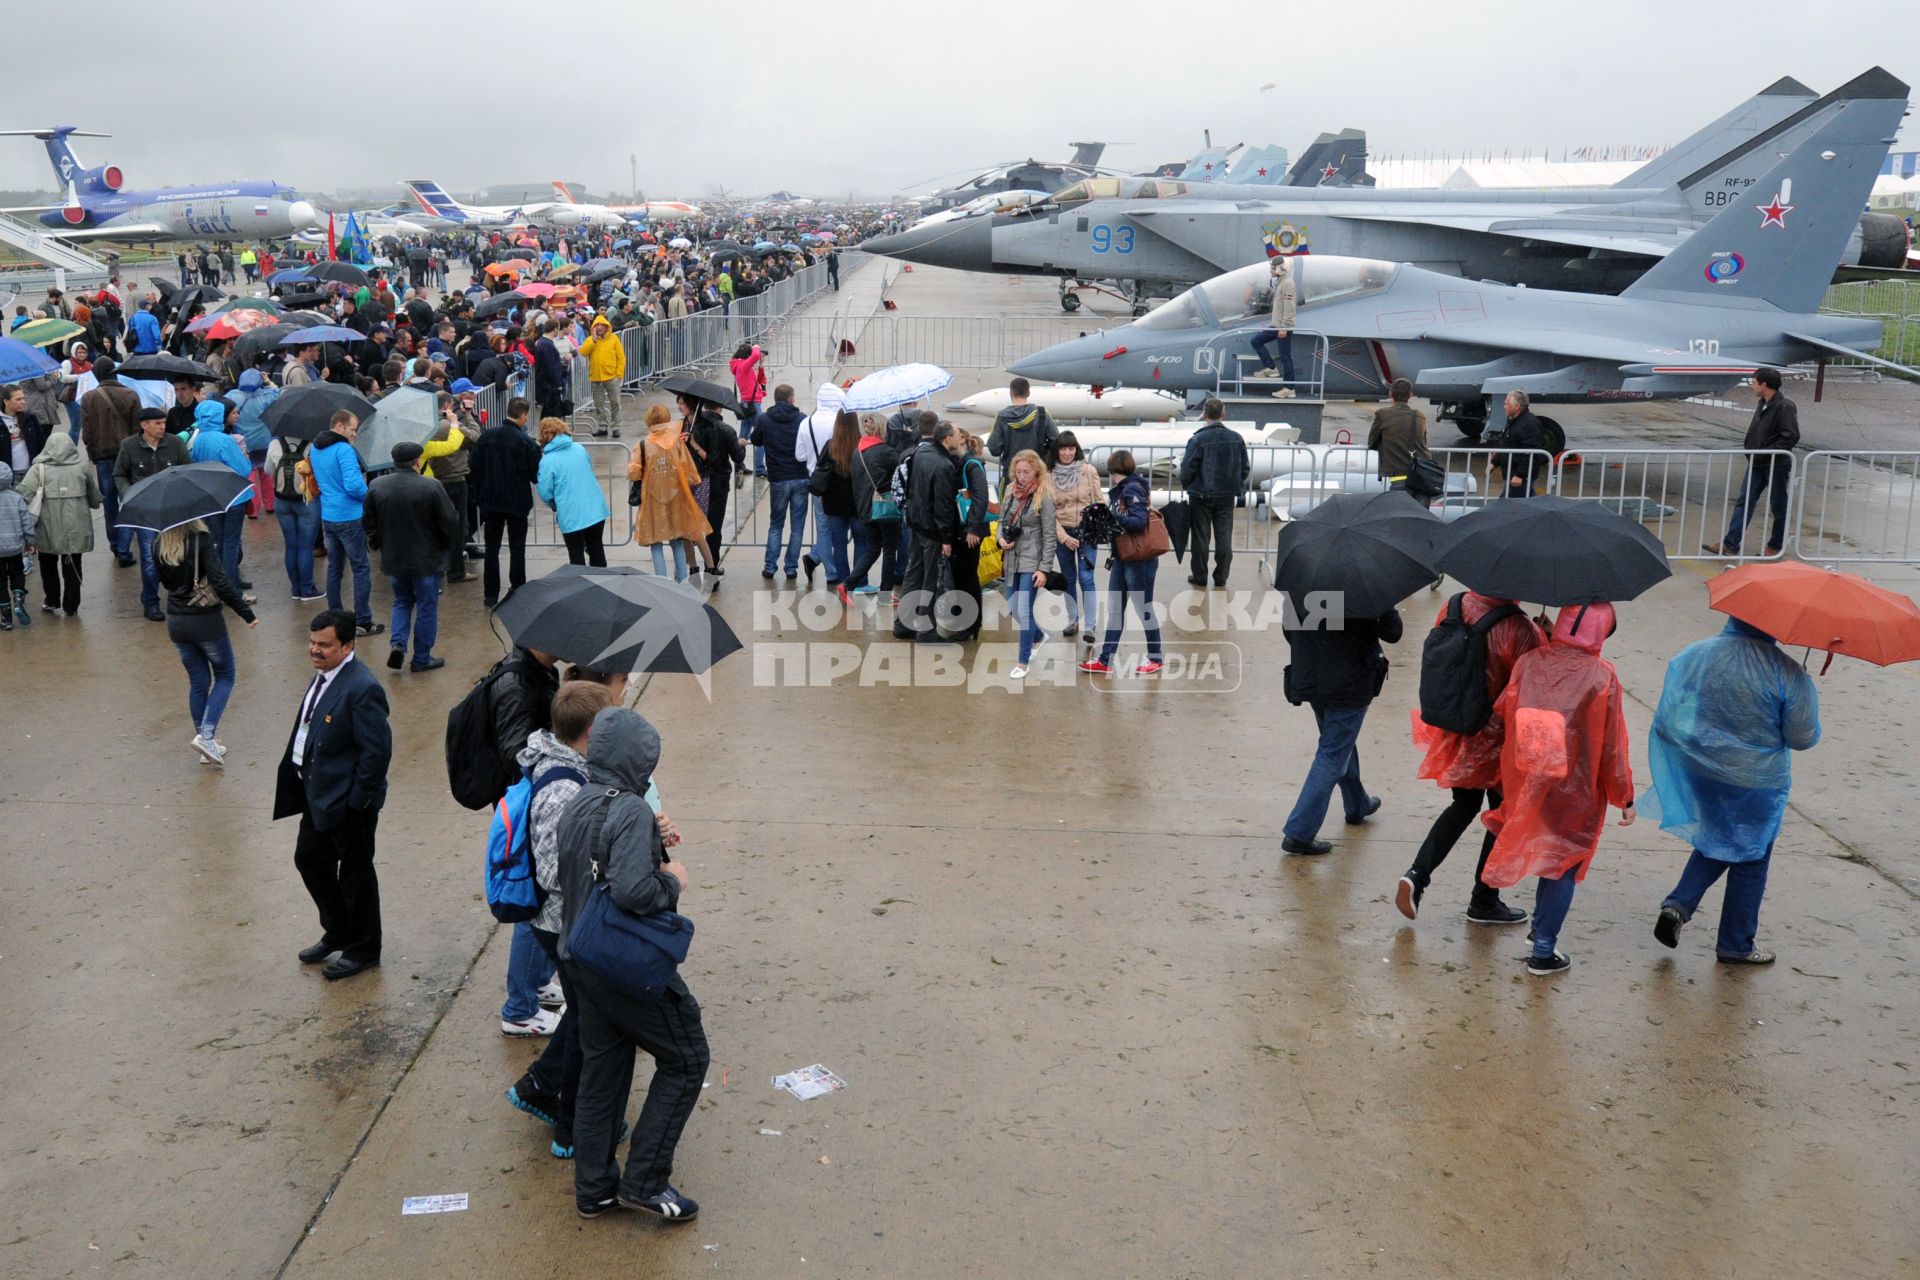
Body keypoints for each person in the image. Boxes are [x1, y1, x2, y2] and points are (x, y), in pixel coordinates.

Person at [555, 707, 707, 1223]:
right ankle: (645, 1181)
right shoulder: (632, 809)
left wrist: (651, 842)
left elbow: (585, 873)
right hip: (622, 963)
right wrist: (674, 879)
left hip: (578, 957)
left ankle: (594, 1188)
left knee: (604, 1070)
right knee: (687, 1058)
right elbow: (634, 892)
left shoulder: (580, 800)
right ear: (640, 759)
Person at [1648, 617, 1820, 964]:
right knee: (1751, 857)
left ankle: (1679, 905)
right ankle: (1736, 943)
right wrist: (1806, 690)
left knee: (1718, 837)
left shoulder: (1695, 654)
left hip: (1701, 771)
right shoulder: (1786, 672)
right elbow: (1803, 737)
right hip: (1755, 782)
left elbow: (1671, 716)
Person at [1479, 603, 1636, 976]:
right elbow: (1612, 747)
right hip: (1575, 787)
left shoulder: (1530, 662)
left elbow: (1505, 708)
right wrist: (1624, 796)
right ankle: (1543, 947)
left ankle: (1540, 933)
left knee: (1549, 853)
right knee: (1564, 863)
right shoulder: (1601, 677)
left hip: (1529, 777)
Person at [1396, 593, 1544, 924]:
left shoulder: (1454, 605)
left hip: (1459, 729)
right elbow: (1530, 687)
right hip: (1499, 740)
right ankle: (1484, 899)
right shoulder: (1519, 629)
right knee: (1503, 814)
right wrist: (1543, 639)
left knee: (1462, 806)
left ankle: (1417, 874)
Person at [274, 610, 393, 982]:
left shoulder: (362, 687)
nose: (315, 650)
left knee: (356, 875)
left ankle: (364, 948)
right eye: (312, 642)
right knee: (310, 860)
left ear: (348, 645)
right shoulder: (325, 676)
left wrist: (357, 801)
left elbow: (377, 752)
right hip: (318, 794)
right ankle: (339, 929)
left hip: (347, 802)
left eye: (325, 645)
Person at [1279, 596, 1401, 855]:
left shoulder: (1303, 576)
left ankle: (1357, 804)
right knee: (1333, 753)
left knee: (1338, 741)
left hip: (1312, 678)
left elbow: (1289, 629)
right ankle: (1299, 832)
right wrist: (1388, 604)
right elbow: (1393, 632)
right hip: (1350, 682)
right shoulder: (1366, 584)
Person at [153, 518, 258, 763]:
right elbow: (221, 581)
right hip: (205, 620)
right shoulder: (201, 540)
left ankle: (205, 741)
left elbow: (165, 582)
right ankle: (206, 736)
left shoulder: (159, 544)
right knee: (225, 675)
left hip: (177, 621)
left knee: (198, 682)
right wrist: (246, 613)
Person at [364, 441, 463, 672]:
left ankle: (398, 643)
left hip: (395, 558)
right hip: (426, 559)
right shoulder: (431, 486)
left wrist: (378, 542)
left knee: (402, 601)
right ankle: (421, 657)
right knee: (427, 607)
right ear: (417, 462)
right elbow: (450, 520)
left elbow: (368, 520)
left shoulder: (378, 485)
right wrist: (445, 545)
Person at [1080, 450, 1165, 675]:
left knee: (1143, 608)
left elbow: (1138, 522)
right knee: (1116, 609)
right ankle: (1105, 659)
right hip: (1123, 557)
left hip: (1139, 559)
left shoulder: (1131, 489)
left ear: (1111, 469)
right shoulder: (1123, 491)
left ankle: (1155, 658)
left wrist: (1110, 518)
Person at [1703, 367, 1800, 557]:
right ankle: (1730, 544)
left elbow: (1790, 436)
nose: (1752, 386)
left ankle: (1775, 545)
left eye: (1754, 382)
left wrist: (1765, 452)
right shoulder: (1762, 403)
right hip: (1757, 463)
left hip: (1776, 464)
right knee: (1744, 501)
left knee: (1778, 506)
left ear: (1764, 384)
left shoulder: (1784, 406)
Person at [113, 407, 191, 622]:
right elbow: (119, 474)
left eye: (163, 422)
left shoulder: (175, 443)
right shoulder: (128, 446)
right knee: (149, 559)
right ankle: (150, 601)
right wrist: (128, 494)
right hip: (145, 512)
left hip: (171, 509)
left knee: (176, 556)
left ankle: (178, 597)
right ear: (144, 425)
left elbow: (187, 470)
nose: (162, 427)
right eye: (157, 423)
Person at [309, 410, 382, 636]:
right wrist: (371, 497)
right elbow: (353, 485)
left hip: (328, 515)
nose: (354, 434)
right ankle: (363, 620)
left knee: (335, 568)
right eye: (352, 429)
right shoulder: (344, 450)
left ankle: (334, 616)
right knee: (360, 568)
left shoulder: (314, 447)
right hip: (350, 516)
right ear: (339, 426)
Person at [896, 422, 966, 646]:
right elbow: (943, 506)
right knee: (931, 579)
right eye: (957, 434)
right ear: (947, 439)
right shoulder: (944, 465)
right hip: (933, 530)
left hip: (916, 523)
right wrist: (946, 538)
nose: (960, 438)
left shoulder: (921, 452)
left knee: (913, 574)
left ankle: (903, 624)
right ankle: (926, 631)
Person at [470, 396, 543, 607]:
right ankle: (518, 587)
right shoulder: (526, 442)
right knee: (517, 546)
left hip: (491, 501)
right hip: (517, 502)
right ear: (523, 415)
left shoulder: (487, 436)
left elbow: (474, 465)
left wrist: (482, 488)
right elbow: (535, 474)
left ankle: (490, 594)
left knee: (492, 548)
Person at [15, 433, 100, 616]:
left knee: (47, 563)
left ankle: (52, 600)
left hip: (48, 527)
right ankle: (72, 605)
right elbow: (94, 498)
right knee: (73, 564)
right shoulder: (81, 468)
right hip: (77, 528)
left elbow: (23, 495)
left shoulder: (38, 469)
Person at [994, 447, 1057, 677]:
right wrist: (1001, 537)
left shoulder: (1045, 496)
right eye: (1018, 471)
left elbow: (1050, 536)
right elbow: (1002, 519)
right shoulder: (1011, 490)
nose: (1021, 476)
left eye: (1026, 472)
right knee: (1012, 607)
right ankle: (1039, 636)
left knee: (1024, 608)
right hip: (1012, 557)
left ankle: (1023, 662)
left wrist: (1044, 569)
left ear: (1036, 471)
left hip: (1032, 559)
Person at [627, 404, 708, 582]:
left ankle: (662, 580)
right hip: (676, 498)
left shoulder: (643, 445)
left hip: (652, 499)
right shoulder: (676, 442)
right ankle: (683, 578)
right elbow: (690, 471)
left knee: (655, 542)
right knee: (677, 539)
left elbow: (633, 473)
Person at [1179, 398, 1250, 589]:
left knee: (1201, 537)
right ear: (1223, 414)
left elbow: (1187, 469)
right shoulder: (1236, 438)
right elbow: (1245, 468)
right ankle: (1221, 576)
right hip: (1227, 495)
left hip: (1201, 495)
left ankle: (1200, 575)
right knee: (1224, 536)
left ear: (1205, 413)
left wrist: (1188, 485)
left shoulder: (1197, 439)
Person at [187, 399, 254, 594]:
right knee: (231, 543)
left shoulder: (199, 439)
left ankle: (223, 583)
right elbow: (243, 468)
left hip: (211, 497)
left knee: (218, 542)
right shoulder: (225, 439)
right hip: (233, 496)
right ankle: (232, 588)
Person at [80, 356, 142, 567]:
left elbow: (86, 432)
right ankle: (124, 548)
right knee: (130, 500)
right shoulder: (131, 394)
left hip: (104, 457)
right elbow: (138, 429)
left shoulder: (89, 398)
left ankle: (115, 544)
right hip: (129, 455)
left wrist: (92, 455)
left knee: (109, 504)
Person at [751, 384, 810, 581]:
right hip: (801, 476)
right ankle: (791, 567)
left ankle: (770, 566)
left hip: (778, 477)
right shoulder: (802, 419)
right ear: (792, 399)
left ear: (775, 399)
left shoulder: (765, 419)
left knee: (776, 524)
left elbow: (756, 440)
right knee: (797, 526)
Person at [1049, 431, 1103, 640]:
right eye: (1063, 448)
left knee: (1086, 578)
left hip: (1087, 532)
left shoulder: (1088, 471)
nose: (1067, 453)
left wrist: (1094, 528)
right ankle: (1073, 619)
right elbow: (1048, 512)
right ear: (1057, 450)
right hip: (1063, 532)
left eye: (1071, 448)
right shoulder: (1049, 475)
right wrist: (1063, 537)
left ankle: (1090, 625)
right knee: (1068, 578)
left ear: (1076, 449)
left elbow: (1098, 503)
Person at [536, 417, 609, 567]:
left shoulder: (547, 461)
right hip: (595, 509)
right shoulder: (579, 448)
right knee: (596, 550)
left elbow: (545, 492)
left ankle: (580, 585)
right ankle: (601, 582)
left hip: (570, 514)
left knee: (576, 557)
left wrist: (554, 504)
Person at [264, 422, 323, 601]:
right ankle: (307, 589)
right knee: (306, 545)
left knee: (291, 545)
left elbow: (268, 470)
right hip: (306, 500)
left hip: (282, 501)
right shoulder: (312, 446)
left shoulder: (275, 445)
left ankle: (295, 588)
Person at [815, 410, 866, 602]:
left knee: (839, 543)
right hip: (857, 502)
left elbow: (821, 473)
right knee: (862, 541)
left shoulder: (831, 446)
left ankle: (844, 581)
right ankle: (860, 580)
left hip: (834, 502)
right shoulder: (861, 445)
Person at [847, 417, 902, 597]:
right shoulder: (885, 451)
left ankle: (849, 583)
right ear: (882, 429)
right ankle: (886, 593)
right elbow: (901, 470)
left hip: (864, 507)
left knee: (873, 549)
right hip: (884, 507)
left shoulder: (858, 452)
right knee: (889, 550)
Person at [421, 399, 472, 582]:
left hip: (428, 485)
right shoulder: (424, 445)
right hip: (440, 483)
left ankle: (437, 569)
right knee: (455, 525)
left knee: (432, 528)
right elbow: (452, 445)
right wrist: (454, 423)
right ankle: (455, 571)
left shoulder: (421, 439)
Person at [986, 377, 1055, 477]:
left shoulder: (1001, 417)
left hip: (1011, 475)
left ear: (1011, 393)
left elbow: (994, 449)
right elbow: (1055, 441)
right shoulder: (1041, 414)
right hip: (1036, 476)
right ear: (1028, 393)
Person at [1367, 378, 1431, 485]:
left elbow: (1372, 442)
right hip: (1422, 473)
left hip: (1398, 472)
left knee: (1399, 500)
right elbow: (1423, 442)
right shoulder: (1420, 415)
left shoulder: (1382, 414)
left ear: (1390, 393)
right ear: (1410, 395)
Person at [1249, 256, 1297, 394]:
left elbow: (1290, 308)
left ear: (1281, 268)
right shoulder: (1280, 282)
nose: (1270, 270)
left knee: (1285, 357)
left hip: (1282, 327)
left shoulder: (1288, 283)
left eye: (1272, 268)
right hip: (1276, 326)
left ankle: (1289, 388)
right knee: (1256, 341)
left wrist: (1284, 327)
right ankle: (1270, 368)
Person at [580, 314, 626, 439]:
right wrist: (594, 339)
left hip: (612, 377)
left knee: (615, 403)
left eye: (602, 325)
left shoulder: (614, 339)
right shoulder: (590, 339)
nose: (599, 327)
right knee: (598, 404)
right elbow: (583, 352)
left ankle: (616, 427)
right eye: (597, 325)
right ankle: (602, 426)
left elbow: (621, 358)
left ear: (607, 327)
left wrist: (619, 375)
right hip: (596, 377)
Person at [1495, 391, 1545, 498]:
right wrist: (1494, 462)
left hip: (1520, 478)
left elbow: (1532, 452)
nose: (1504, 407)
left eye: (1507, 404)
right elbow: (1507, 444)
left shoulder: (1529, 424)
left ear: (1517, 406)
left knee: (1507, 504)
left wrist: (1520, 475)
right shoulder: (1514, 421)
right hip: (1512, 473)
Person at [0, 463, 30, 630]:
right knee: (17, 573)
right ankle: (18, 597)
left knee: (0, 581)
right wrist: (30, 541)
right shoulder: (16, 497)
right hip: (15, 546)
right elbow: (26, 521)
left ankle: (6, 617)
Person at [729, 342, 766, 473]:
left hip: (748, 404)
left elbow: (758, 381)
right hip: (752, 405)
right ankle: (760, 468)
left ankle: (739, 464)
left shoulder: (740, 366)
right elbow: (755, 355)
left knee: (743, 435)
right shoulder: (743, 366)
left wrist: (761, 364)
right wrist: (756, 347)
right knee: (763, 434)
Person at [2, 382, 50, 472]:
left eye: (23, 398)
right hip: (7, 474)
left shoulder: (30, 418)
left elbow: (41, 444)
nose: (23, 402)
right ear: (6, 401)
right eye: (18, 399)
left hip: (31, 471)